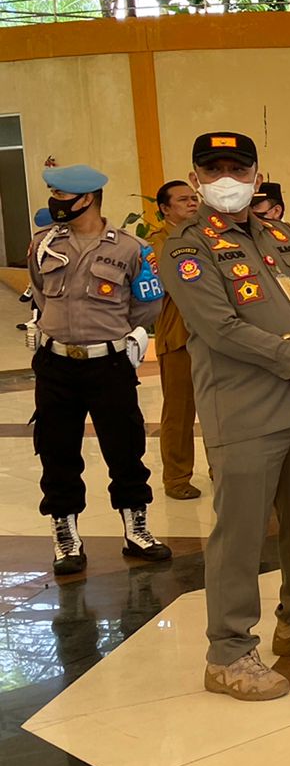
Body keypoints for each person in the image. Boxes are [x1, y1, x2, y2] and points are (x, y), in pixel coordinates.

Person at [163, 131, 290, 700]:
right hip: (244, 410)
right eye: (213, 168)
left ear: (255, 174)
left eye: (237, 168)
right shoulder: (185, 246)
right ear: (196, 177)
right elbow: (219, 325)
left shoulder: (282, 235)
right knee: (241, 536)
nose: (226, 178)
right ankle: (228, 654)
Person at [29, 163, 169, 577]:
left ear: (86, 198)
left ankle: (136, 528)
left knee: (125, 447)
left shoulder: (131, 248)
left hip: (108, 364)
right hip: (55, 364)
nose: (55, 203)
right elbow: (39, 290)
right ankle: (65, 534)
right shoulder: (43, 243)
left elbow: (146, 305)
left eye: (60, 196)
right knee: (57, 451)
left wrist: (117, 336)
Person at [147, 179, 201, 499]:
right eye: (183, 200)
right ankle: (177, 477)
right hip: (178, 334)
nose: (192, 204)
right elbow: (169, 281)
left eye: (193, 198)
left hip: (213, 336)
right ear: (165, 209)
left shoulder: (207, 236)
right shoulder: (158, 243)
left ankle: (221, 468)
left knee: (219, 408)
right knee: (180, 411)